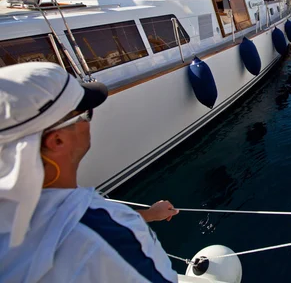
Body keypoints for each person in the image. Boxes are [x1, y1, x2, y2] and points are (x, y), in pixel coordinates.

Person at [0, 63, 179, 282]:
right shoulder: (106, 234)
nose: (89, 122)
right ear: (57, 140)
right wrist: (133, 222)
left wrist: (149, 215)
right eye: (85, 114)